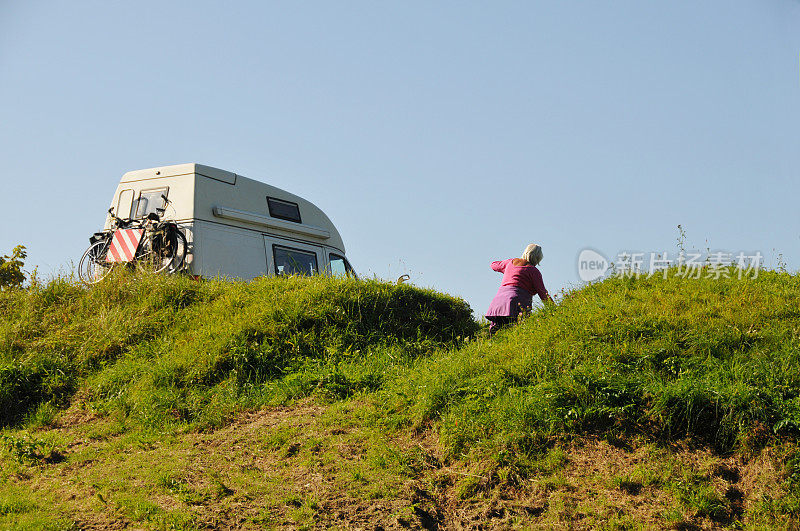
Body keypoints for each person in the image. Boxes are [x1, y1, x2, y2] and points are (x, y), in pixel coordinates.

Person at [485, 243, 551, 335]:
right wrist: (553, 309)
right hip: (516, 304)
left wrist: (507, 269)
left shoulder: (510, 263)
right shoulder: (533, 271)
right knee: (516, 333)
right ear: (538, 258)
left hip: (498, 303)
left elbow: (494, 265)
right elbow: (542, 293)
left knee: (497, 333)